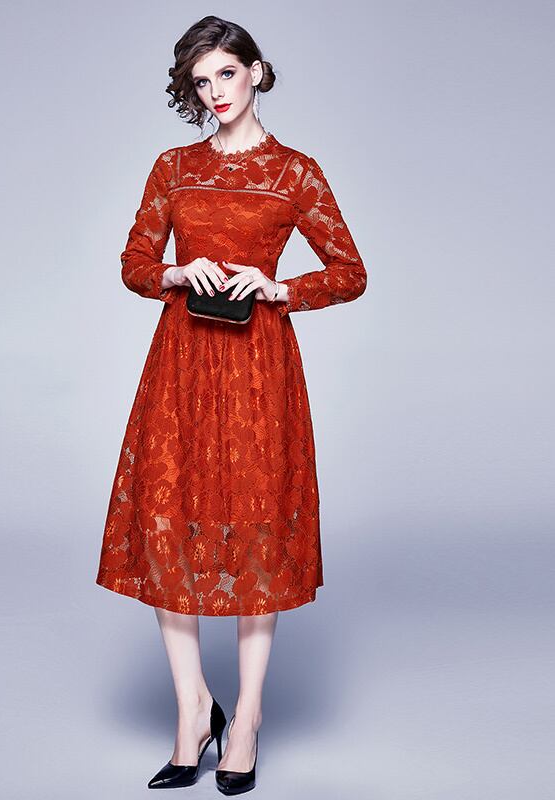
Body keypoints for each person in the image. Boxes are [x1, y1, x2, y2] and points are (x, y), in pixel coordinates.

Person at [94, 14, 368, 795]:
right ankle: (192, 709)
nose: (215, 91)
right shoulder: (174, 167)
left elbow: (350, 272)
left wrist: (277, 286)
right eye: (201, 80)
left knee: (254, 531)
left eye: (226, 73)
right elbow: (134, 262)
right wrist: (177, 273)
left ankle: (245, 717)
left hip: (257, 372)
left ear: (257, 71)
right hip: (181, 363)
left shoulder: (295, 173)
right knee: (166, 522)